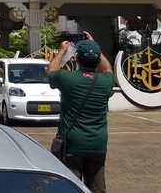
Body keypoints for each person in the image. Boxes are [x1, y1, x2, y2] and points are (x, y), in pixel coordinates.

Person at [46, 31, 115, 193]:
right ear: (97, 60)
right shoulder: (106, 81)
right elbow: (108, 70)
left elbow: (50, 72)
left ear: (76, 58)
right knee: (97, 188)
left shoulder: (68, 78)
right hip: (98, 143)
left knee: (71, 187)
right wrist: (95, 46)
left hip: (73, 143)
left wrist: (62, 51)